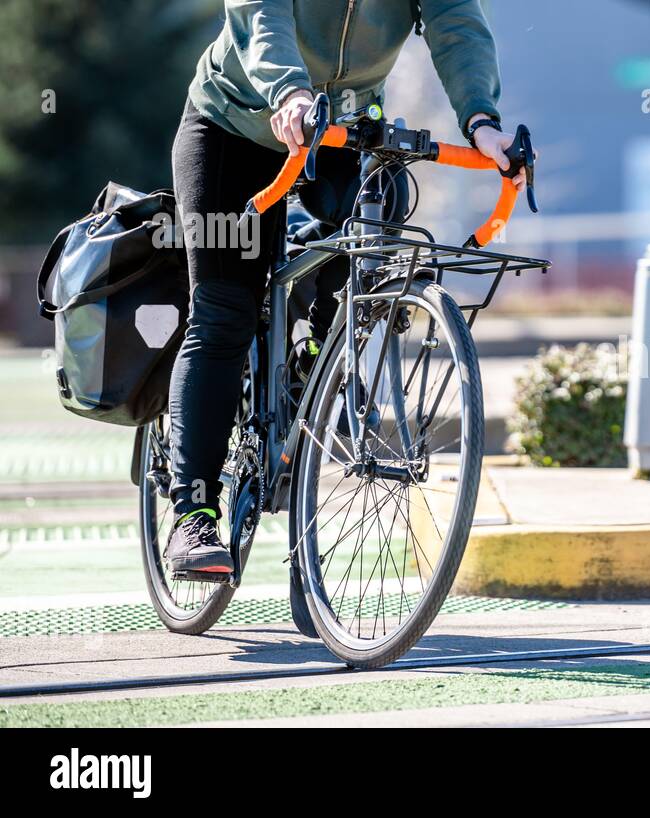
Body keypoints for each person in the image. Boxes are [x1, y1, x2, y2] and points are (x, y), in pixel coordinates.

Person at [166, 0, 526, 574]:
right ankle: (193, 516)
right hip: (238, 124)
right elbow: (262, 12)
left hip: (343, 130)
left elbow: (455, 21)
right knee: (224, 313)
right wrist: (287, 91)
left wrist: (481, 121)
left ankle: (315, 355)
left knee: (364, 258)